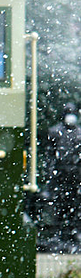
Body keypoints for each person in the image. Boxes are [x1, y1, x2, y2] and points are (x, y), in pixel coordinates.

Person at [44, 103, 81, 249]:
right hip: (60, 176)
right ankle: (58, 233)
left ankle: (74, 232)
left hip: (75, 176)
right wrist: (51, 174)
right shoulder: (55, 132)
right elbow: (49, 155)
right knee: (59, 205)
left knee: (75, 206)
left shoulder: (79, 133)